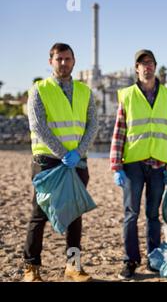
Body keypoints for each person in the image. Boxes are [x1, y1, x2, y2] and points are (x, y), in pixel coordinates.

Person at [23, 43, 98, 282]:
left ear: (74, 61)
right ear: (50, 62)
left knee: (75, 216)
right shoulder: (39, 89)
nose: (63, 63)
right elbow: (38, 126)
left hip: (76, 163)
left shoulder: (85, 91)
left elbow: (92, 125)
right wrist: (63, 152)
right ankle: (31, 268)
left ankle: (73, 266)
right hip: (47, 163)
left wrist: (79, 152)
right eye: (59, 59)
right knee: (39, 215)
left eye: (67, 59)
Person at [110, 49, 167, 280]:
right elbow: (119, 130)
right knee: (131, 214)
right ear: (136, 68)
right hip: (133, 164)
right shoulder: (127, 95)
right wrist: (115, 165)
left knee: (153, 215)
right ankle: (129, 260)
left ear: (155, 66)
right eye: (142, 64)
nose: (147, 67)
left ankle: (153, 259)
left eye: (150, 63)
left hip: (159, 165)